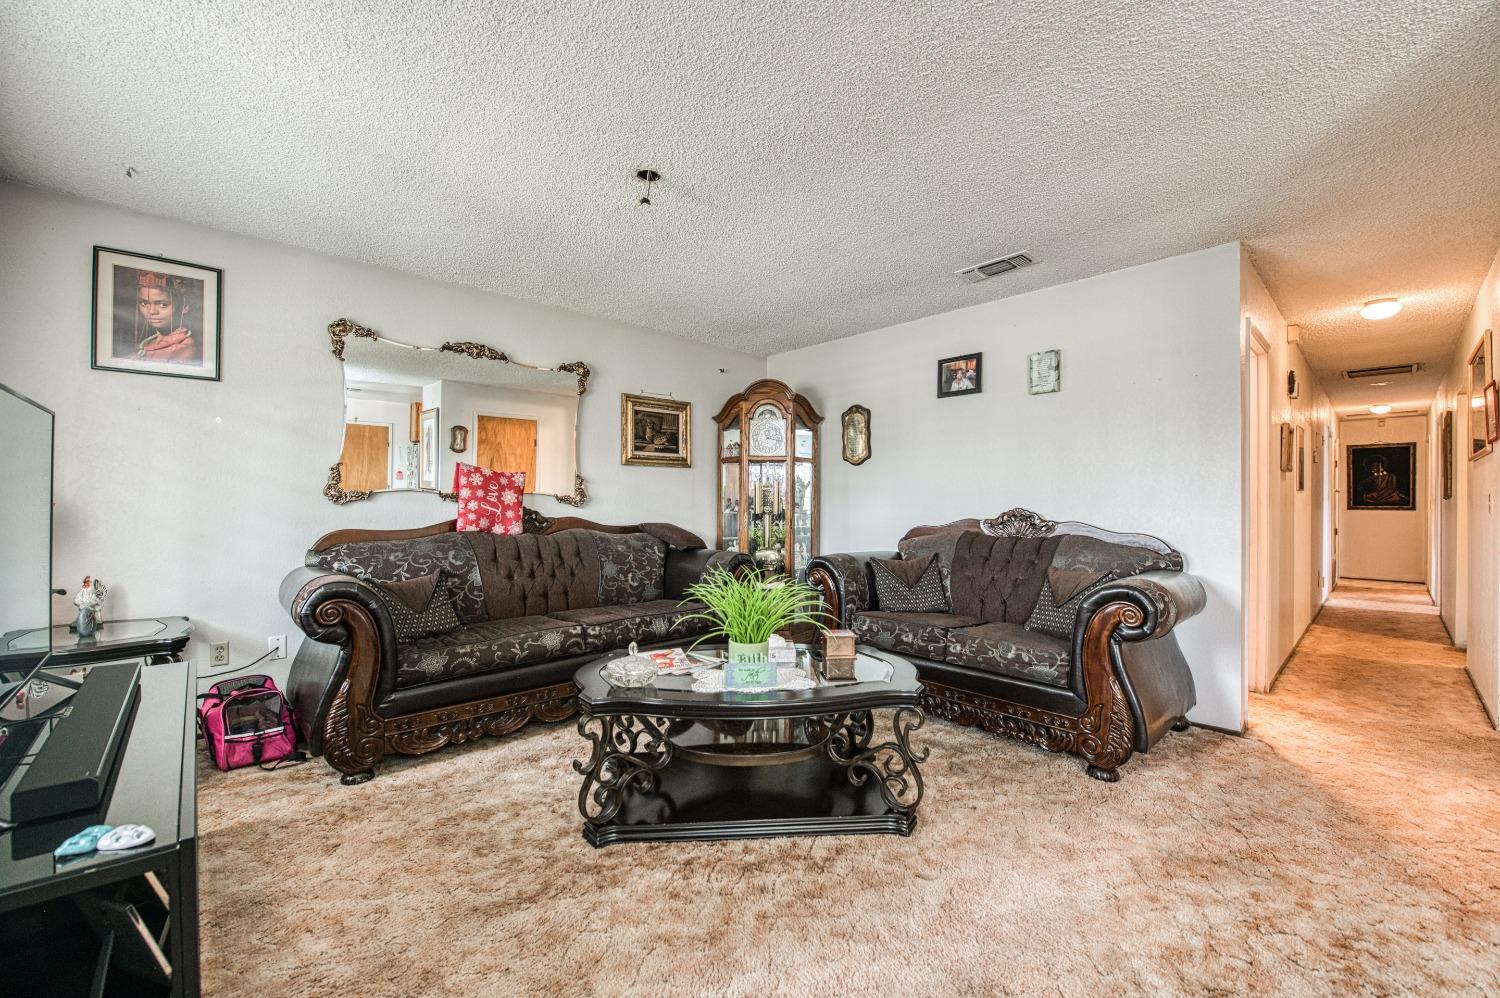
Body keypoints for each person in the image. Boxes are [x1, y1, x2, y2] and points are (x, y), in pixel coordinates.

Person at [129, 269, 201, 364]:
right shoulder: (147, 343)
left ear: (185, 306)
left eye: (163, 304)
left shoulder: (184, 348)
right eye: (144, 303)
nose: (151, 311)